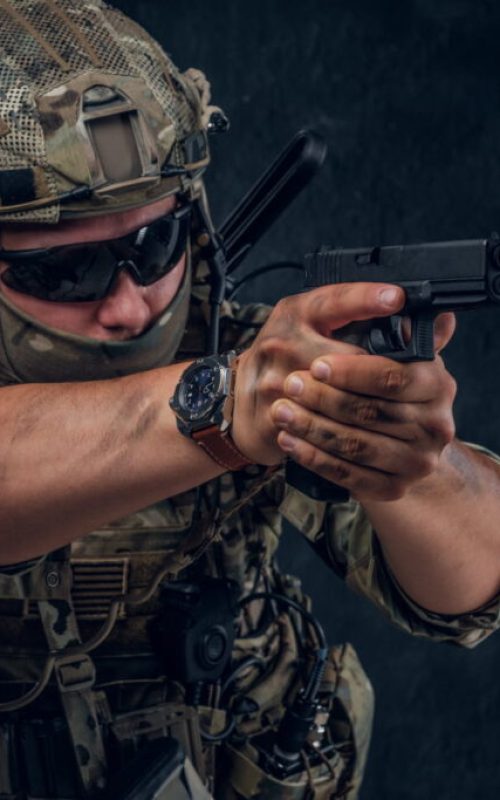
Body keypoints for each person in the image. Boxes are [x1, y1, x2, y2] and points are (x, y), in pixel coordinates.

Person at [0, 1, 498, 798]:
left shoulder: (257, 359)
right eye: (60, 272)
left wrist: (410, 457)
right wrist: (222, 405)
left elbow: (471, 585)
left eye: (152, 246)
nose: (128, 306)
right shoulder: (241, 383)